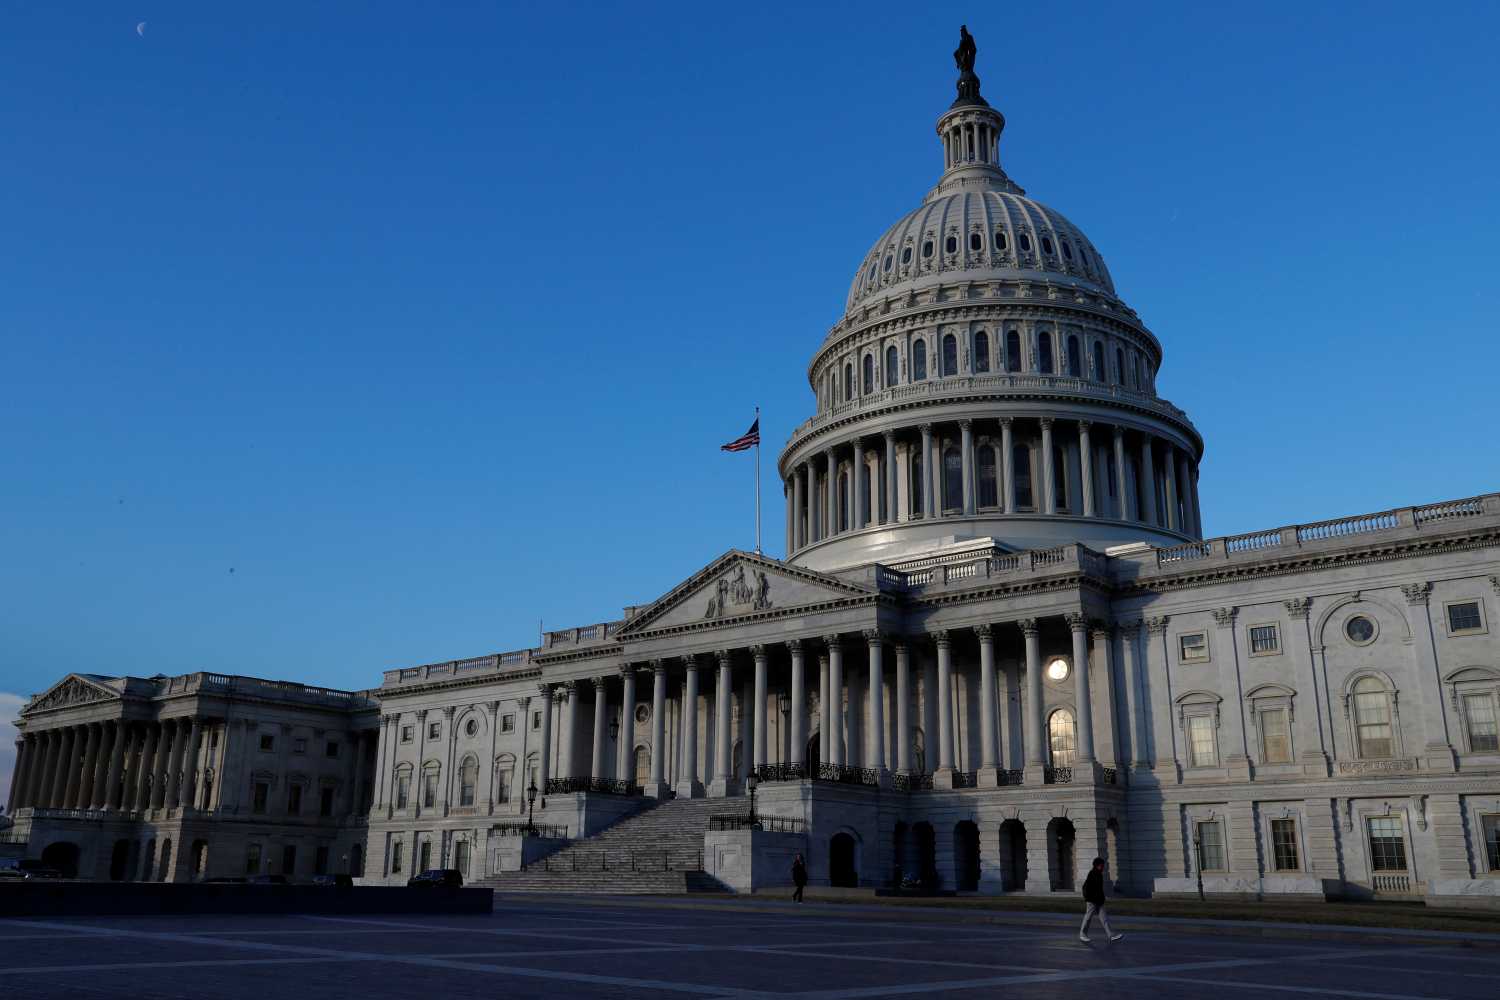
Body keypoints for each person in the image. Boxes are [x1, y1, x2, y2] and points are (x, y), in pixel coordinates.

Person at [1079, 857, 1123, 943]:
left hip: (1099, 901)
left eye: (1103, 865)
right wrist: (1090, 898)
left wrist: (1101, 898)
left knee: (1104, 919)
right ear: (1097, 865)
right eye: (1101, 865)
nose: (1103, 867)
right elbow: (1087, 888)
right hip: (1092, 901)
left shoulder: (1099, 874)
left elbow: (1099, 889)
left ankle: (1111, 935)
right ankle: (1082, 934)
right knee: (1088, 917)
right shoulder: (1092, 874)